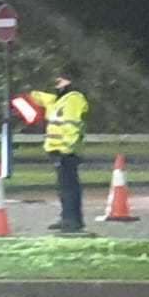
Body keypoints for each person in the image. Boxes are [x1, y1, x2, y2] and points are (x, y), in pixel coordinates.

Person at [29, 67, 90, 232]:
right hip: (58, 150)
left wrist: (67, 149)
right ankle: (68, 218)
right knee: (65, 187)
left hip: (66, 151)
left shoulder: (73, 99)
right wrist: (28, 93)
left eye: (60, 80)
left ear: (69, 82)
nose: (57, 83)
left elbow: (72, 124)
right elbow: (41, 98)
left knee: (69, 188)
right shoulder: (60, 100)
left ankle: (72, 220)